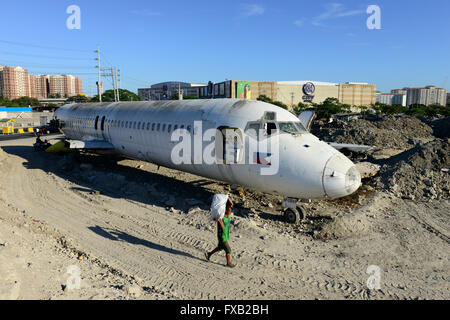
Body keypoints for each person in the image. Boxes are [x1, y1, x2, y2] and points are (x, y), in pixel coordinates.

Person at [205, 197, 236, 268]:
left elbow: (231, 204)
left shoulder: (227, 215)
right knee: (228, 250)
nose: (230, 211)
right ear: (225, 211)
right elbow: (222, 227)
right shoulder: (221, 218)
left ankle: (209, 254)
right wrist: (219, 220)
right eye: (229, 210)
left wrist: (227, 197)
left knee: (220, 248)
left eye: (230, 210)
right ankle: (228, 263)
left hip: (225, 235)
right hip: (222, 236)